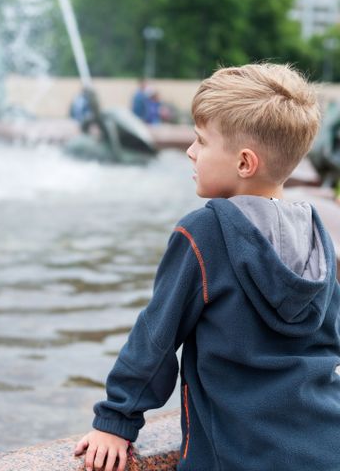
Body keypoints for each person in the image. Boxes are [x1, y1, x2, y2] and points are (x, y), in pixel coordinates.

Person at [74, 63, 340, 471]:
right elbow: (329, 340)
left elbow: (156, 336)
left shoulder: (206, 231)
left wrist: (116, 420)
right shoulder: (317, 231)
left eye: (201, 141)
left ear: (244, 163)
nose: (189, 151)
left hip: (236, 455)